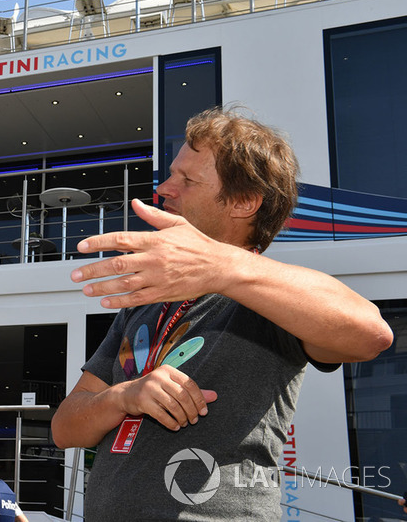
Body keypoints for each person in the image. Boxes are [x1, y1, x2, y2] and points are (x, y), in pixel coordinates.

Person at [51, 107, 393, 521]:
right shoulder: (147, 302)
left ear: (245, 202)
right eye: (172, 173)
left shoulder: (271, 295)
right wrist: (125, 395)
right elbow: (65, 427)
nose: (164, 189)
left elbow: (371, 334)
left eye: (188, 180)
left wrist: (222, 266)